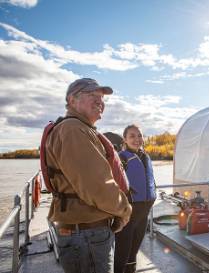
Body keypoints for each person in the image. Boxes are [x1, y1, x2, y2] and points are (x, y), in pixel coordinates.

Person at [45, 78, 132, 273]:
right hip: (86, 235)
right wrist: (124, 210)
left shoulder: (78, 128)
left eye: (101, 97)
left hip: (85, 232)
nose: (100, 101)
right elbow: (97, 186)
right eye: (92, 95)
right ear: (72, 100)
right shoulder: (73, 130)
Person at [114, 124, 157, 273]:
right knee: (122, 252)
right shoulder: (121, 158)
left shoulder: (145, 157)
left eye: (139, 136)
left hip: (144, 213)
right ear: (125, 139)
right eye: (132, 136)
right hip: (128, 213)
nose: (137, 139)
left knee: (133, 252)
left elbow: (150, 181)